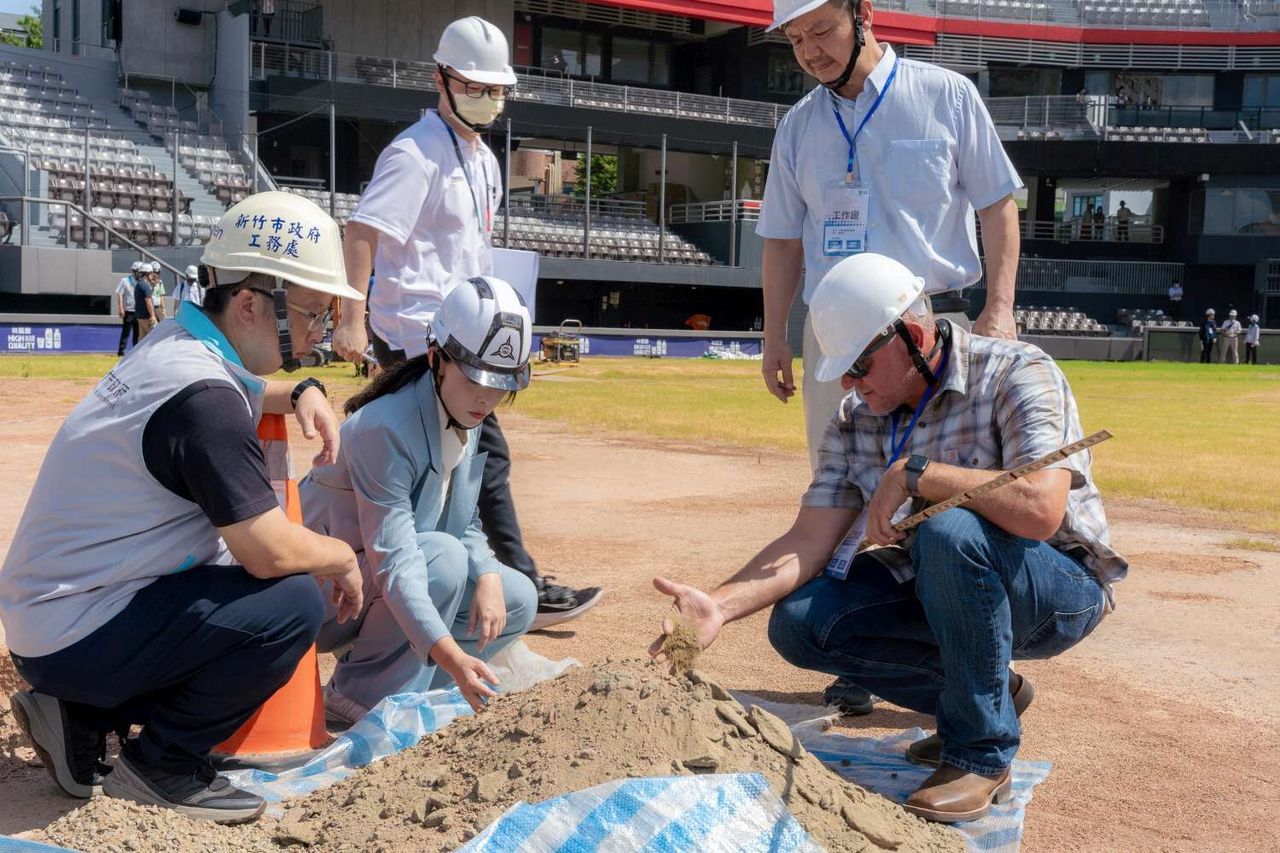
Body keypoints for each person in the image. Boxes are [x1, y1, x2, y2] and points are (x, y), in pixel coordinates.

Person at [649, 252, 1123, 824]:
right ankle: (989, 693)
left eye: (861, 365)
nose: (849, 383)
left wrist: (920, 473)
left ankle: (980, 753)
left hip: (1056, 585)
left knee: (950, 529)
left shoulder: (1019, 372)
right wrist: (718, 609)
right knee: (803, 620)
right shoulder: (856, 419)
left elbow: (1041, 510)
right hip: (944, 580)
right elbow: (809, 537)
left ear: (915, 337)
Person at [0, 191, 366, 823]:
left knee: (227, 593)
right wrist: (341, 557)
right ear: (250, 304)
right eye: (311, 312)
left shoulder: (180, 346)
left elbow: (244, 391)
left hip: (55, 617)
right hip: (77, 627)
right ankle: (163, 764)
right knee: (290, 602)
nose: (319, 332)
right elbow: (268, 549)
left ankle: (80, 713)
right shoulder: (203, 400)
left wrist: (301, 389)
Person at [755, 0, 1022, 713]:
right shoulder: (797, 127)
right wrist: (776, 333)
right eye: (795, 40)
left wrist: (999, 306)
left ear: (863, 13)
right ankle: (864, 649)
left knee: (947, 492)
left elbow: (998, 202)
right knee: (844, 490)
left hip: (929, 325)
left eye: (821, 31)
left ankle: (967, 650)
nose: (809, 51)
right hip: (837, 333)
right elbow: (782, 238)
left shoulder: (946, 95)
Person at [331, 16, 602, 630]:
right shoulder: (414, 154)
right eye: (474, 86)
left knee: (461, 464)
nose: (487, 99)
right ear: (441, 80)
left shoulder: (482, 160)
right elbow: (363, 233)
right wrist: (351, 320)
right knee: (471, 460)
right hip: (417, 341)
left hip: (470, 336)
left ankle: (451, 585)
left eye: (496, 89)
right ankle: (511, 583)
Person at [303, 276, 538, 723]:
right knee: (443, 560)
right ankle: (362, 694)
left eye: (500, 383)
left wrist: (487, 575)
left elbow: (461, 517)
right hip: (320, 602)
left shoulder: (458, 411)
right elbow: (395, 558)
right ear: (438, 359)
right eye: (475, 379)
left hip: (375, 586)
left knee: (518, 596)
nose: (487, 397)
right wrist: (451, 652)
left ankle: (427, 692)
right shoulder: (386, 428)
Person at [115, 261, 141, 356]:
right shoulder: (125, 281)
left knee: (137, 332)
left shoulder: (141, 282)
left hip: (138, 311)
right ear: (134, 271)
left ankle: (135, 351)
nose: (141, 274)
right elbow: (120, 294)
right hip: (128, 311)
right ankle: (121, 351)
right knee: (126, 331)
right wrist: (121, 308)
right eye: (139, 272)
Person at [134, 262, 158, 339]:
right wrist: (153, 315)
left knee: (142, 339)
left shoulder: (139, 284)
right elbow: (148, 301)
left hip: (140, 316)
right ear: (147, 274)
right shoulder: (145, 286)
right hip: (146, 317)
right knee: (153, 338)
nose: (152, 275)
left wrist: (153, 286)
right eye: (151, 273)